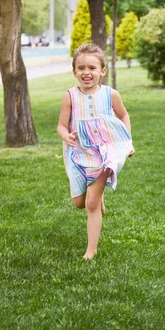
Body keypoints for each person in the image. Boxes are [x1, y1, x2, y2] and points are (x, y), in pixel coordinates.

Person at [57, 43, 135, 260]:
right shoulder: (70, 96)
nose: (86, 72)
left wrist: (126, 141)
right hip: (78, 152)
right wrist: (67, 136)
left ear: (102, 71)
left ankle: (91, 250)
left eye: (92, 68)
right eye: (81, 68)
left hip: (104, 152)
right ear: (74, 72)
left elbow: (124, 116)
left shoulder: (111, 94)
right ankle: (97, 197)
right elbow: (61, 126)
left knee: (90, 203)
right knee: (79, 203)